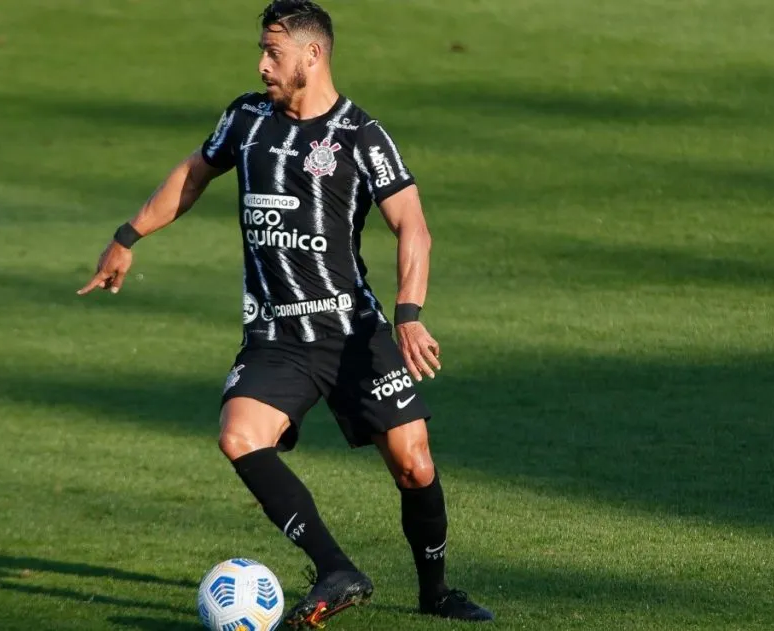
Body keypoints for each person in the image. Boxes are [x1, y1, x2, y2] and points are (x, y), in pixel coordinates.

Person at [77, 0, 495, 627]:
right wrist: (127, 236)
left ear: (312, 54)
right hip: (277, 335)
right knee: (238, 436)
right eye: (262, 51)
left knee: (415, 462)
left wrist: (408, 313)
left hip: (354, 331)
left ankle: (435, 592)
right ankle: (336, 568)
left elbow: (412, 224)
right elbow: (193, 175)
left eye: (274, 52)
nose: (262, 64)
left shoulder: (359, 136)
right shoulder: (246, 118)